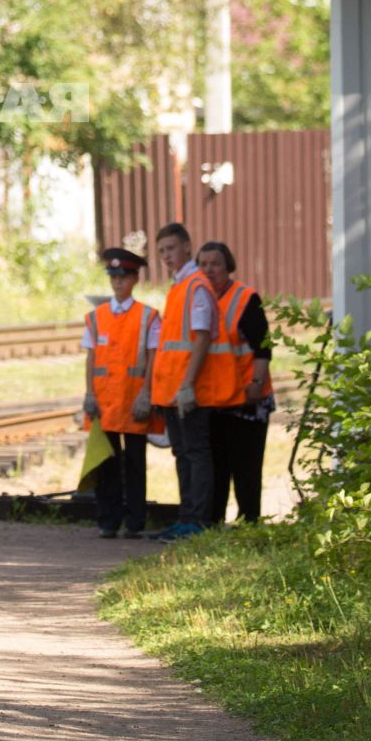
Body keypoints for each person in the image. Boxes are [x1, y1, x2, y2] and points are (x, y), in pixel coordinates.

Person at [132, 221, 217, 541]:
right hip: (174, 390)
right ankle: (187, 518)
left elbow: (201, 337)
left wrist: (187, 385)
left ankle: (196, 521)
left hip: (187, 390)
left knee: (195, 453)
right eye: (161, 251)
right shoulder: (181, 287)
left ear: (186, 247)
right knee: (184, 454)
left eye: (170, 249)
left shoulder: (195, 286)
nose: (166, 256)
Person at [81, 248, 164, 539]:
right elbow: (91, 358)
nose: (117, 282)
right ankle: (108, 521)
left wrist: (147, 394)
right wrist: (89, 393)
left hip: (133, 403)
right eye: (113, 276)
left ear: (135, 279)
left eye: (123, 276)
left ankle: (134, 522)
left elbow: (154, 358)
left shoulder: (148, 317)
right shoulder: (96, 317)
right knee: (107, 463)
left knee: (135, 464)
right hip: (104, 403)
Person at [195, 241, 273, 524]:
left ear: (228, 265)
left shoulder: (245, 298)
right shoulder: (198, 298)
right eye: (202, 264)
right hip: (214, 401)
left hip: (247, 399)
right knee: (217, 467)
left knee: (247, 468)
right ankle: (214, 523)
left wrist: (256, 382)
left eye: (215, 263)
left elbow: (263, 349)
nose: (209, 269)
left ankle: (248, 523)